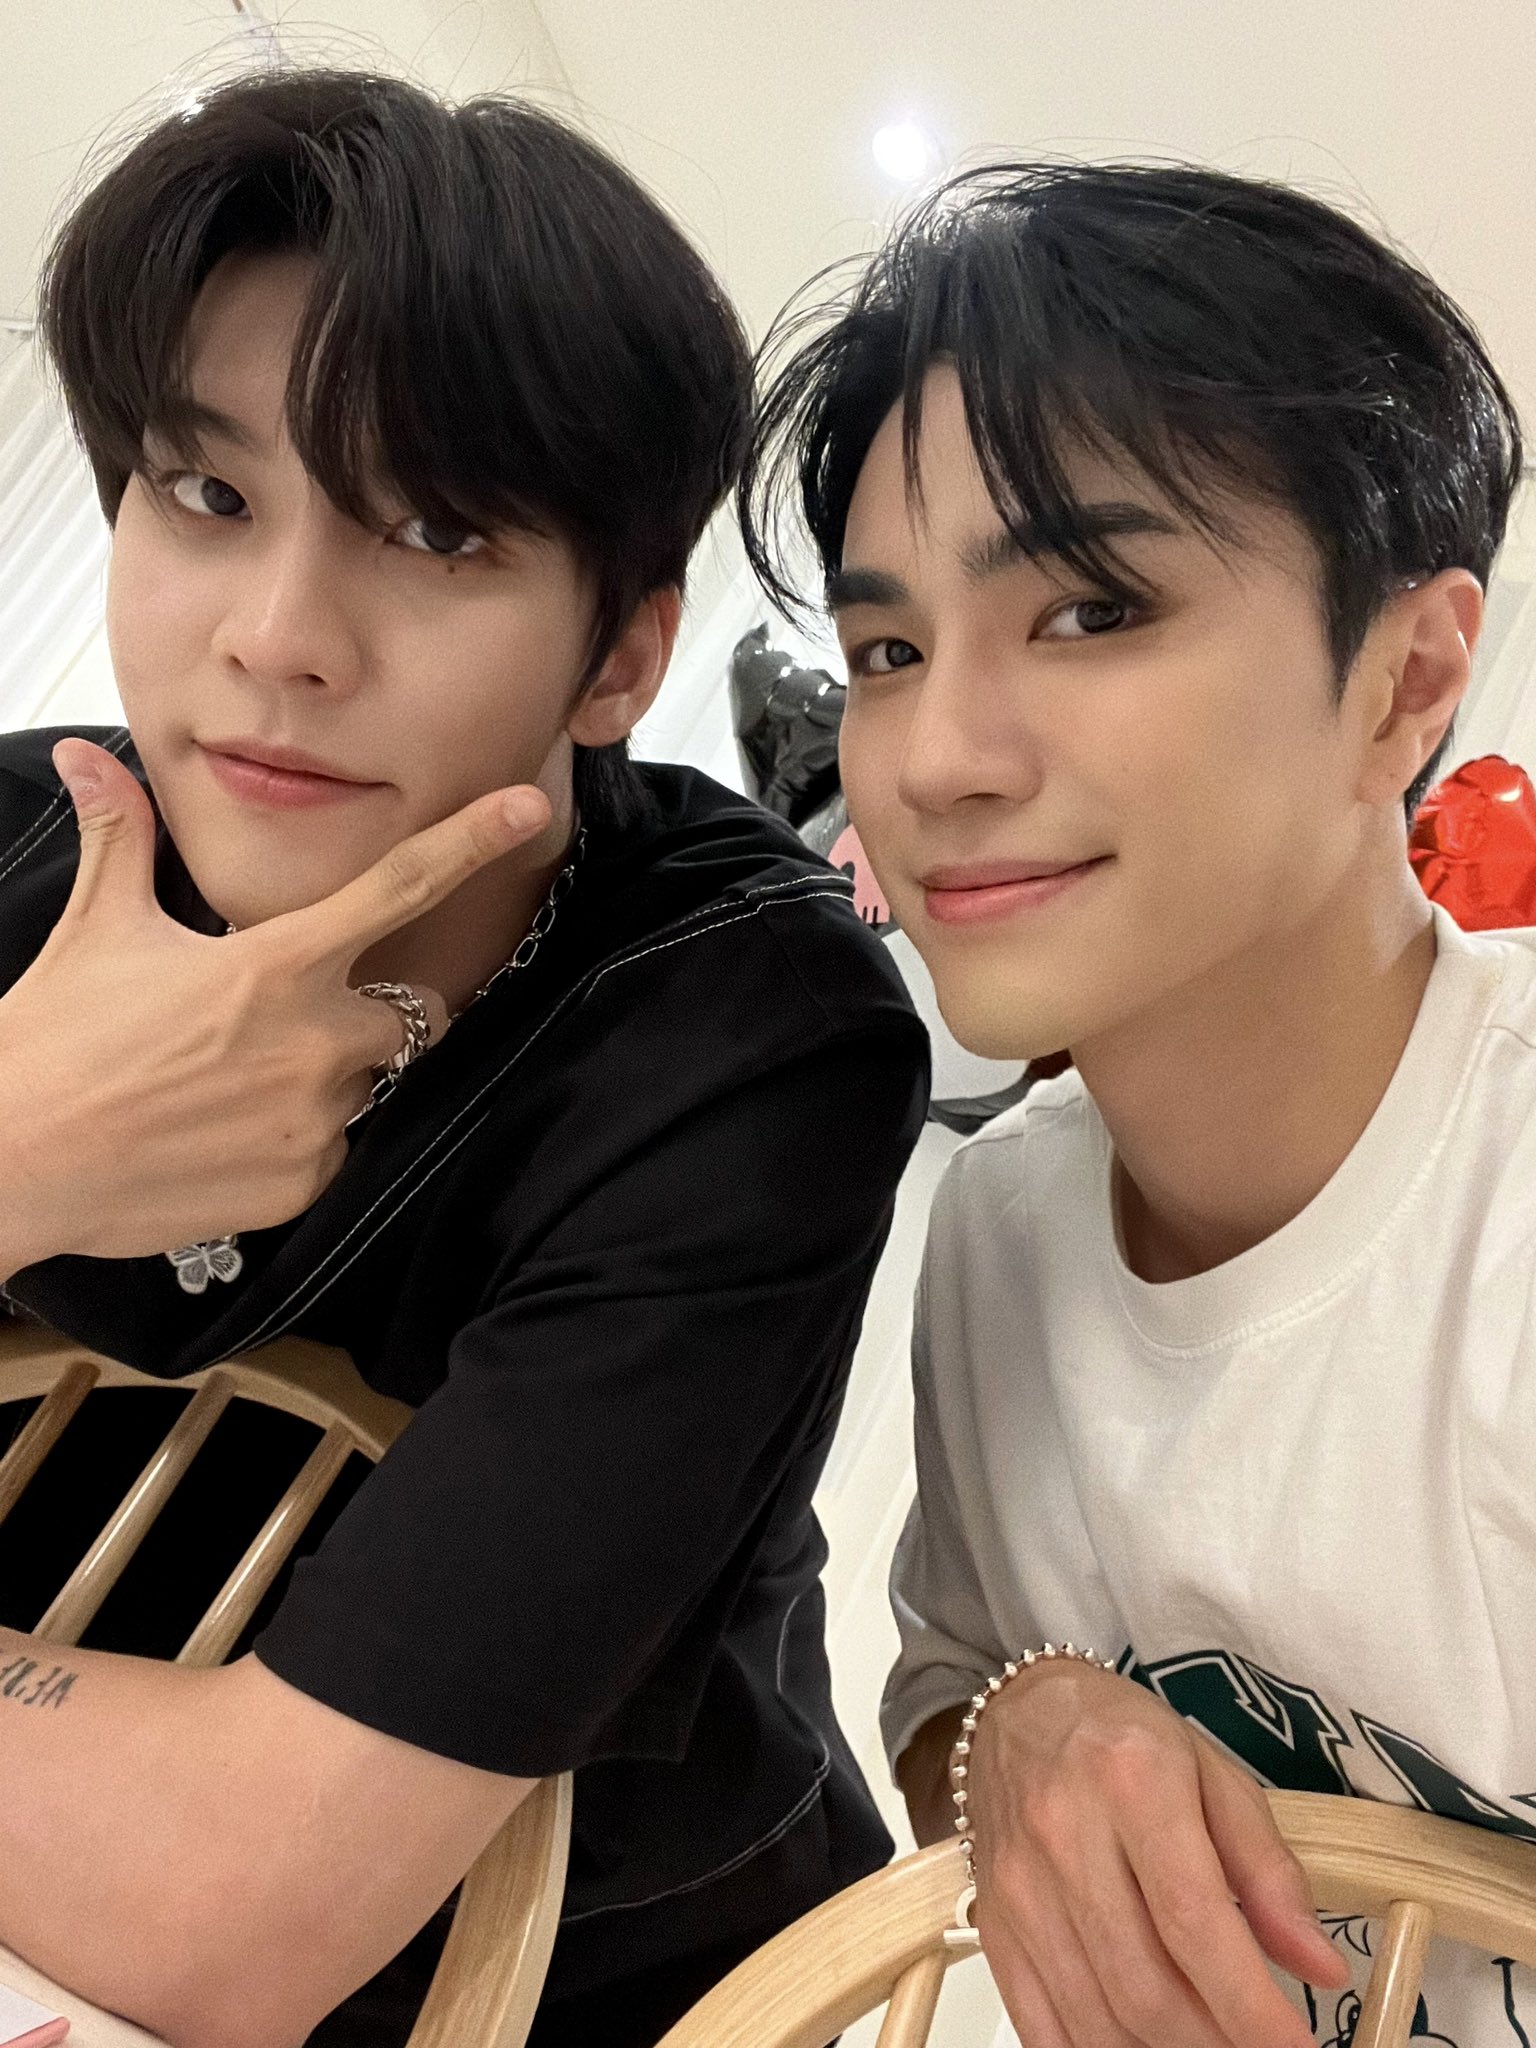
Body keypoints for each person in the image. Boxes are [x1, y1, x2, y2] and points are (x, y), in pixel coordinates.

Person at [0, 68, 929, 2048]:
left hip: (606, 1970)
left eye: (434, 529)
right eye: (208, 495)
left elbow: (229, 1906)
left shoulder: (744, 1026)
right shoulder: (24, 848)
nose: (280, 637)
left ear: (623, 657)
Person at [740, 161, 1531, 2047]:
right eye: (887, 652)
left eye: (1092, 609)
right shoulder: (998, 1227)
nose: (933, 760)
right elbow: (948, 1686)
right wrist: (1020, 1722)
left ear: (1408, 680)